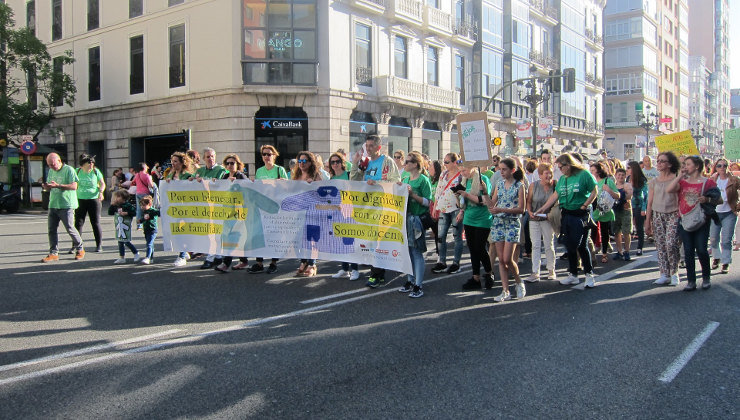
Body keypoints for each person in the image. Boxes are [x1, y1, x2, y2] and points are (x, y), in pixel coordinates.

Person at [535, 154, 598, 287]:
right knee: (569, 245)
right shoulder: (563, 179)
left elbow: (594, 191)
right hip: (567, 214)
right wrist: (543, 208)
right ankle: (573, 274)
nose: (560, 169)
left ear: (568, 165)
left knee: (581, 245)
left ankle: (589, 274)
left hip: (580, 214)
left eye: (561, 167)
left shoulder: (584, 174)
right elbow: (555, 195)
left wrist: (584, 205)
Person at [350, 135, 401, 287]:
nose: (368, 148)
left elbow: (395, 182)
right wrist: (355, 163)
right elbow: (354, 181)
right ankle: (379, 273)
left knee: (378, 242)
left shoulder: (387, 161)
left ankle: (375, 274)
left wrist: (377, 183)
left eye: (371, 145)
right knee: (372, 242)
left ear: (379, 147)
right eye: (367, 145)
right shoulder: (366, 163)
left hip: (383, 208)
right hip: (368, 208)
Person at [667, 155, 721, 291]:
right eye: (684, 164)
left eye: (688, 164)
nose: (685, 167)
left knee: (702, 250)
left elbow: (719, 200)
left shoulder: (708, 182)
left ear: (697, 166)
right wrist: (679, 176)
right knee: (688, 250)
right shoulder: (683, 182)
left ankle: (706, 278)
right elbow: (669, 189)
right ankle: (691, 281)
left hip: (701, 220)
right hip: (685, 219)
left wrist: (707, 199)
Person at [484, 158, 526, 301]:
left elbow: (522, 209)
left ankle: (519, 282)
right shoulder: (499, 184)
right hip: (498, 223)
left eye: (504, 169)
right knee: (501, 259)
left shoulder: (519, 186)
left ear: (512, 170)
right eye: (500, 169)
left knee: (508, 258)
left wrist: (502, 209)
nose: (501, 172)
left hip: (512, 223)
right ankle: (505, 290)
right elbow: (491, 204)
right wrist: (484, 193)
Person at [397, 152, 433, 298]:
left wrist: (413, 195)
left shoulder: (423, 180)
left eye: (407, 162)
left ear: (415, 164)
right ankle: (410, 280)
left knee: (416, 252)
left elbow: (428, 202)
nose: (404, 164)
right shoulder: (405, 179)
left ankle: (418, 284)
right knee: (408, 251)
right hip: (405, 219)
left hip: (417, 219)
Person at [249, 145, 288, 274]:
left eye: (269, 154)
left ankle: (273, 262)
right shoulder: (259, 171)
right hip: (262, 207)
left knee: (274, 234)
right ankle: (259, 263)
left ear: (274, 155)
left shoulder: (279, 170)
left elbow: (288, 187)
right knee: (259, 233)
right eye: (264, 154)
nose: (266, 156)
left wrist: (282, 182)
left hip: (275, 207)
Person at [646, 152, 681, 286]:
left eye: (662, 161)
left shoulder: (676, 178)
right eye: (658, 161)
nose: (659, 163)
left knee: (671, 243)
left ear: (670, 164)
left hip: (673, 213)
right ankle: (664, 273)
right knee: (660, 245)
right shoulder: (654, 181)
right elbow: (650, 202)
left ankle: (674, 272)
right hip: (657, 215)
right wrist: (647, 221)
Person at [41, 153, 85, 262]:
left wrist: (58, 186)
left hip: (67, 204)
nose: (51, 167)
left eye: (53, 164)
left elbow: (74, 186)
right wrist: (47, 187)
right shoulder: (51, 171)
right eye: (49, 165)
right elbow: (51, 187)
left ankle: (80, 248)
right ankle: (53, 253)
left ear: (59, 161)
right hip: (53, 203)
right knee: (51, 229)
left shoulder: (69, 170)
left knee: (70, 228)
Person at [458, 166, 493, 290]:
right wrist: (460, 206)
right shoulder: (465, 181)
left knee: (480, 247)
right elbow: (462, 202)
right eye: (461, 171)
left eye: (464, 170)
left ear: (473, 167)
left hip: (483, 218)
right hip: (469, 217)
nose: (463, 173)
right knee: (472, 248)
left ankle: (489, 272)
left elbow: (484, 200)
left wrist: (465, 194)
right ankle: (476, 277)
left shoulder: (483, 179)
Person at [327, 152, 360, 281]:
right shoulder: (331, 179)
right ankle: (345, 268)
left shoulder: (349, 175)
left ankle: (355, 269)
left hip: (350, 211)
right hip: (337, 212)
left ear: (342, 163)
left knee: (350, 241)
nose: (335, 164)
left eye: (337, 162)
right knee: (340, 241)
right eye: (332, 162)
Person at [194, 148, 228, 269]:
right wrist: (192, 180)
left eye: (212, 156)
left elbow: (218, 184)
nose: (210, 159)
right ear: (203, 159)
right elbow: (192, 183)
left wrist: (203, 181)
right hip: (204, 206)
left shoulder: (221, 170)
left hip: (217, 205)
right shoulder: (200, 170)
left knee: (216, 233)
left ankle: (211, 258)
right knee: (210, 233)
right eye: (208, 157)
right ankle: (217, 257)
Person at [291, 151, 324, 277]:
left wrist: (314, 185)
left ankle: (312, 264)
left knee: (311, 240)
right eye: (299, 161)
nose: (301, 163)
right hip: (298, 212)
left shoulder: (316, 175)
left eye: (304, 161)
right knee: (297, 239)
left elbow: (322, 193)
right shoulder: (296, 175)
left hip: (313, 212)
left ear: (310, 162)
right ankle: (303, 261)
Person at [216, 154, 250, 272]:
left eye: (232, 163)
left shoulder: (241, 176)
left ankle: (226, 263)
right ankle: (244, 261)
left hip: (238, 213)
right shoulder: (224, 176)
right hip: (228, 212)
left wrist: (236, 183)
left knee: (231, 236)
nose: (230, 165)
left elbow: (248, 189)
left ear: (238, 165)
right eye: (228, 163)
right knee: (231, 236)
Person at [432, 153, 464, 274]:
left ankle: (456, 263)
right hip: (443, 208)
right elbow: (438, 190)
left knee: (457, 236)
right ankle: (442, 261)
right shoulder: (443, 174)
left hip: (456, 209)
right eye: (444, 162)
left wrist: (462, 210)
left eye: (447, 162)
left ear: (454, 162)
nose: (444, 164)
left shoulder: (461, 175)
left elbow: (463, 193)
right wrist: (435, 206)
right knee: (441, 236)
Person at [525, 163, 557, 282]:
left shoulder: (555, 185)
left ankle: (551, 270)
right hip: (534, 218)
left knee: (549, 244)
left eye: (550, 172)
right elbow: (528, 201)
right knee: (536, 245)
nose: (549, 175)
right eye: (546, 173)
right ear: (540, 175)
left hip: (548, 218)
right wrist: (529, 212)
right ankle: (535, 272)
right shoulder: (534, 185)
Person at [709, 158, 740, 274]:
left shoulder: (734, 179)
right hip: (715, 213)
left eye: (724, 165)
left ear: (727, 167)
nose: (722, 168)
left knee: (726, 239)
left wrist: (738, 205)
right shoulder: (712, 179)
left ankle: (726, 262)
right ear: (715, 167)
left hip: (729, 213)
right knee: (713, 238)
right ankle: (717, 257)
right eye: (719, 166)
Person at [168, 152, 196, 267]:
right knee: (176, 232)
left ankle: (182, 255)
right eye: (172, 161)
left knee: (183, 232)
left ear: (182, 162)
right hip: (174, 207)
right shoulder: (170, 175)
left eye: (175, 161)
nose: (173, 163)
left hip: (185, 208)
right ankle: (187, 250)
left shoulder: (187, 176)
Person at [73, 153, 105, 253]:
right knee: (78, 223)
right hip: (80, 199)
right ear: (83, 164)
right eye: (89, 163)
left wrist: (101, 192)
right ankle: (76, 245)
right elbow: (72, 184)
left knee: (95, 222)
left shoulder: (96, 171)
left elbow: (102, 183)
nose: (91, 164)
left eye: (92, 163)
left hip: (93, 199)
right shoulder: (77, 171)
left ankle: (99, 245)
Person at [590, 162, 618, 263]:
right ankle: (592, 254)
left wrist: (609, 190)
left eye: (593, 170)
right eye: (591, 170)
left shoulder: (607, 181)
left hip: (604, 209)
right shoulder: (591, 181)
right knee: (592, 233)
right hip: (593, 210)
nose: (591, 172)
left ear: (599, 171)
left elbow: (617, 195)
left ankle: (604, 253)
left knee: (604, 232)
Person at [108, 190, 140, 264]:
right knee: (120, 241)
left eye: (118, 197)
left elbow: (134, 212)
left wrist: (127, 213)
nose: (117, 198)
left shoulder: (128, 205)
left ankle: (136, 253)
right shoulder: (116, 205)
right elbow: (110, 212)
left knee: (126, 241)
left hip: (126, 225)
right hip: (119, 226)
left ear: (124, 198)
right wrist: (112, 205)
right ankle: (122, 257)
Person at [612, 168, 634, 260]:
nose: (620, 177)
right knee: (617, 232)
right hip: (615, 210)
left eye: (622, 175)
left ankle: (627, 251)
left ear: (625, 176)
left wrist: (626, 193)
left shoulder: (627, 185)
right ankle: (619, 251)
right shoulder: (613, 186)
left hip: (625, 210)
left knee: (626, 232)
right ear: (615, 175)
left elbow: (629, 196)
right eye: (619, 175)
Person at [628, 161, 649, 255]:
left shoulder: (641, 179)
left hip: (638, 204)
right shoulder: (628, 178)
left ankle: (639, 247)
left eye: (629, 168)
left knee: (639, 227)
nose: (627, 170)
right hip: (628, 204)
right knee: (628, 227)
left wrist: (644, 208)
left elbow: (646, 195)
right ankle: (626, 249)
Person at [131, 162, 154, 231]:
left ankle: (139, 225)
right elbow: (151, 185)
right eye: (147, 167)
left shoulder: (137, 175)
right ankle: (147, 223)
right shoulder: (147, 176)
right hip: (145, 194)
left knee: (139, 209)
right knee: (147, 209)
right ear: (144, 168)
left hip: (138, 193)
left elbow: (133, 182)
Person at [137, 195, 159, 265]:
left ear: (149, 204)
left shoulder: (152, 210)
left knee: (149, 244)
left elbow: (158, 212)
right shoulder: (145, 211)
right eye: (141, 205)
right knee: (150, 244)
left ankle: (147, 257)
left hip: (152, 229)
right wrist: (140, 221)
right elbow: (145, 218)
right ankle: (151, 258)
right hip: (146, 229)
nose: (142, 207)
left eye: (143, 205)